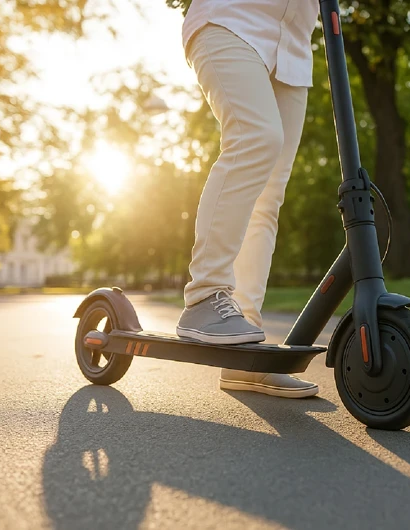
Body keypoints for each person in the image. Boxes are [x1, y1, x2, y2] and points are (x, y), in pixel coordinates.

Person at [175, 0, 320, 398]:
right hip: (230, 19)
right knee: (256, 139)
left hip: (291, 46)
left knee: (269, 194)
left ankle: (245, 354)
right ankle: (205, 295)